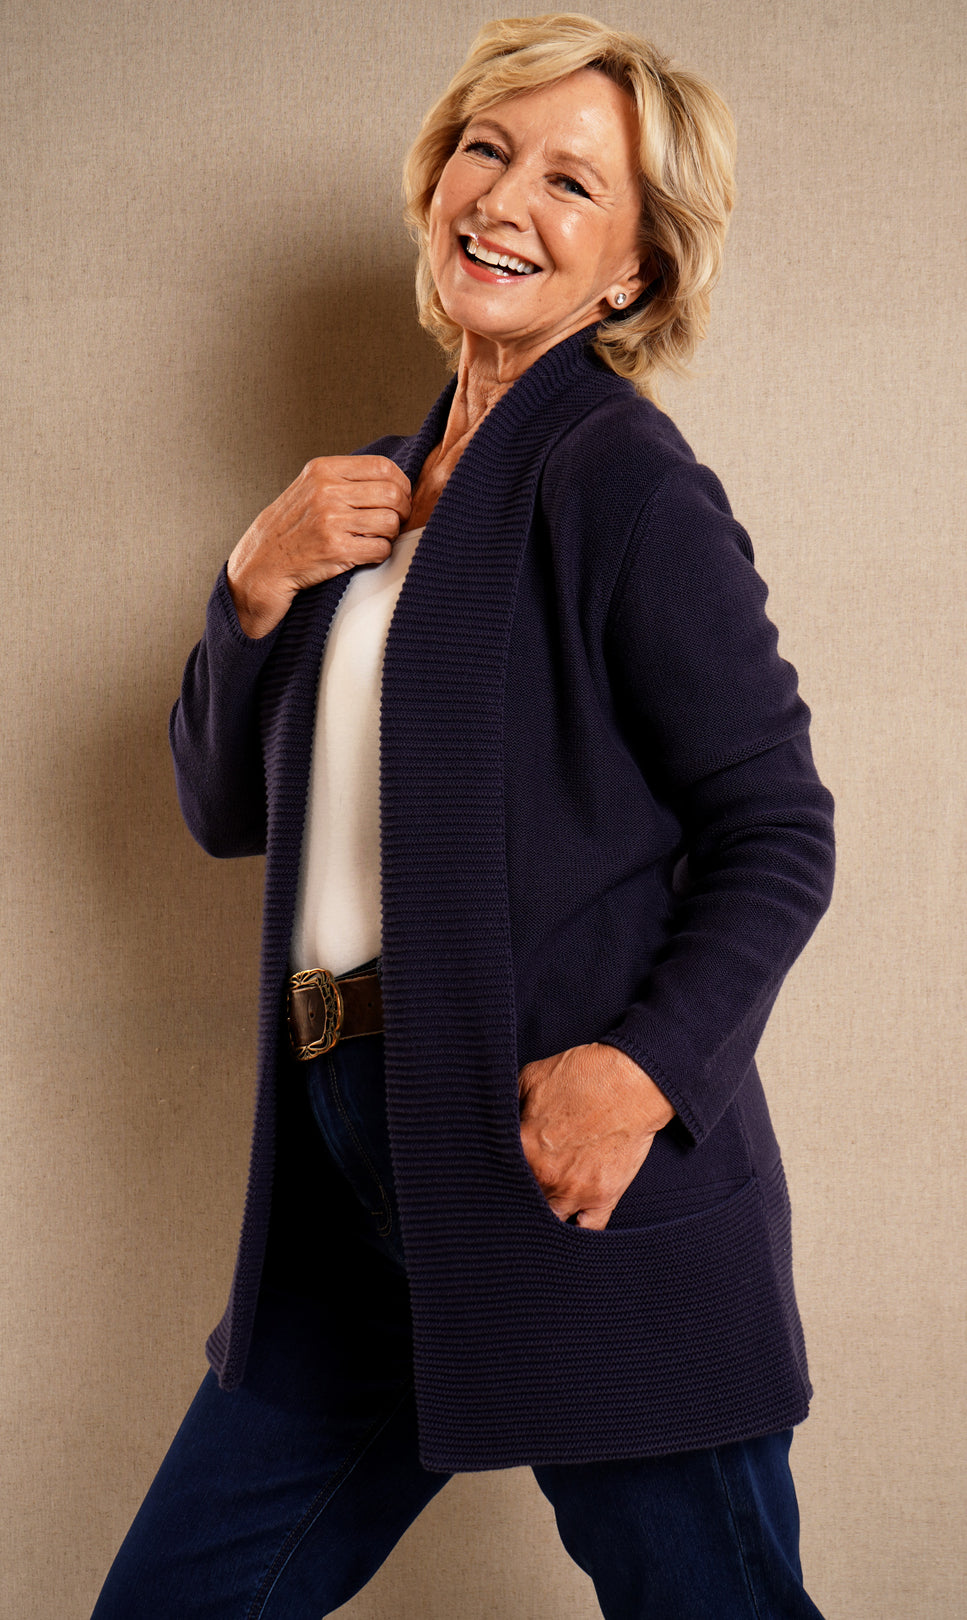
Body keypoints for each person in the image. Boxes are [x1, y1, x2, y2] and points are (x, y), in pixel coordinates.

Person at [92, 14, 835, 1618]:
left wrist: (637, 1077)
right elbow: (223, 808)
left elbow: (779, 825)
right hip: (349, 1162)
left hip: (561, 1165)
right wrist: (255, 585)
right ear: (436, 181)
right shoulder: (364, 491)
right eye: (488, 151)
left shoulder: (619, 477)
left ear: (631, 272)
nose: (508, 197)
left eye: (574, 182)